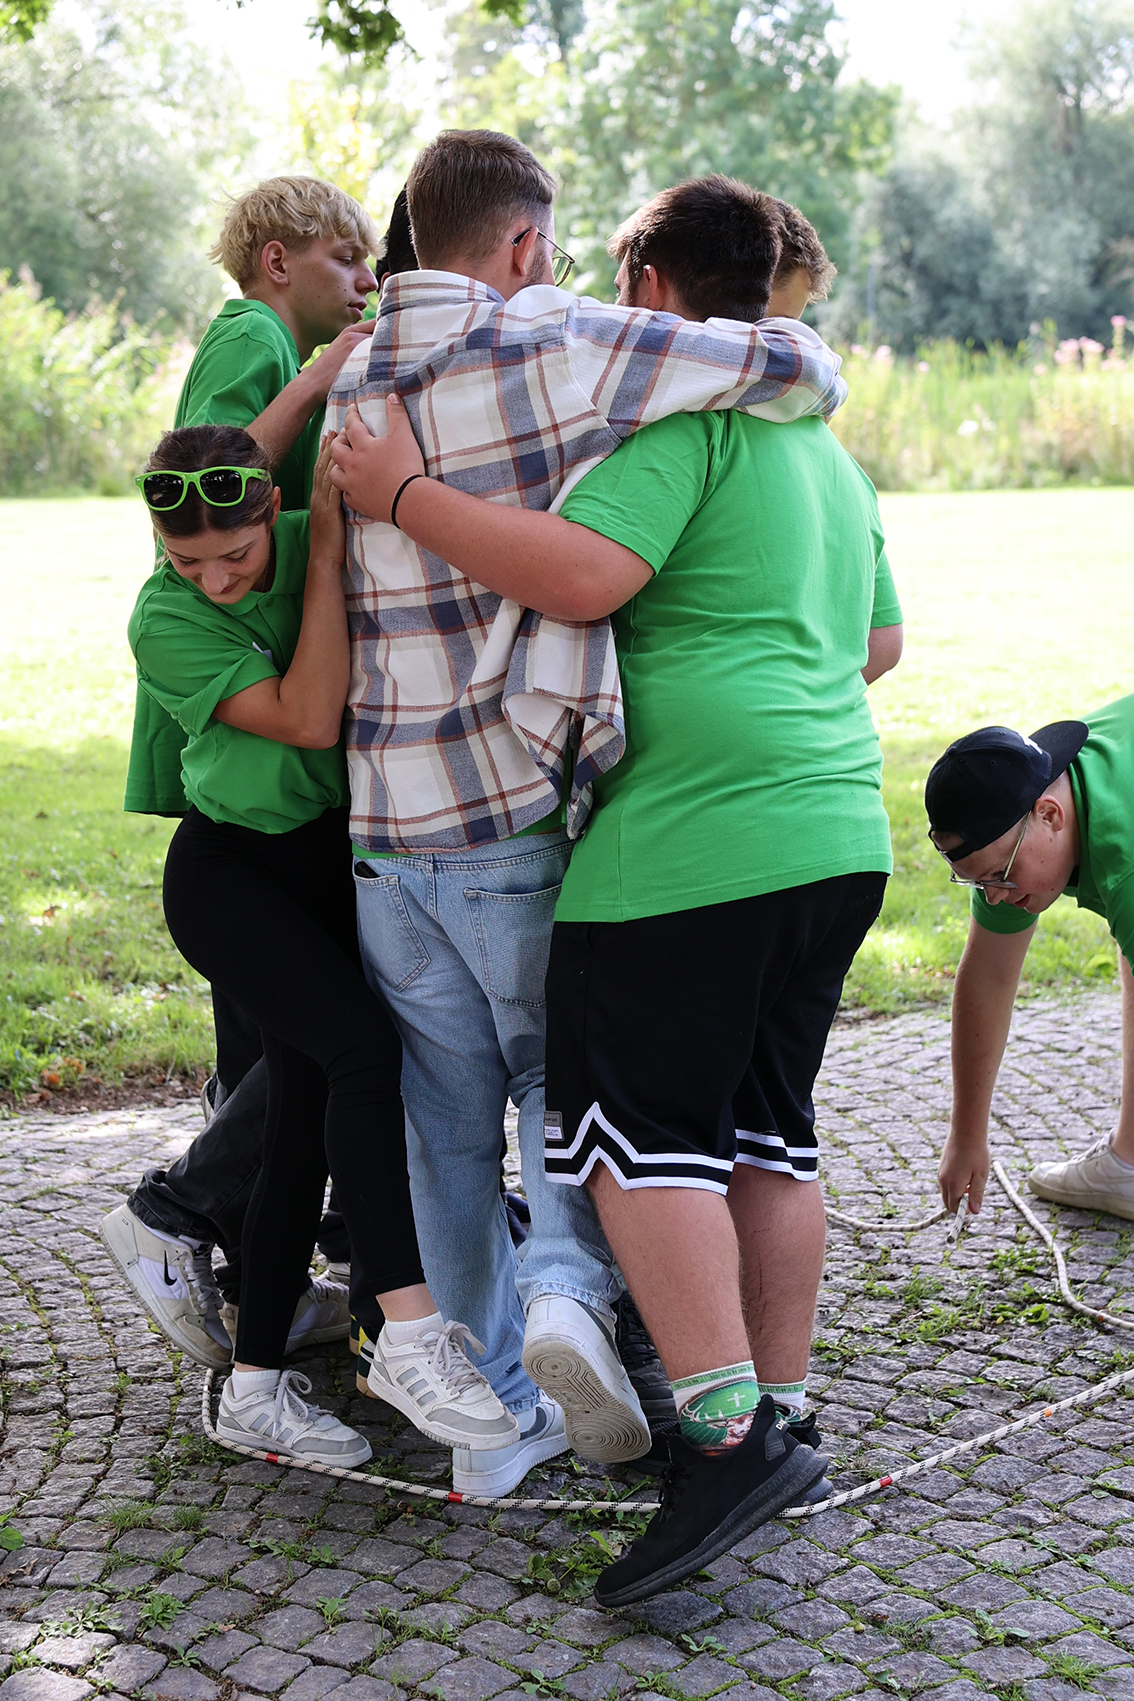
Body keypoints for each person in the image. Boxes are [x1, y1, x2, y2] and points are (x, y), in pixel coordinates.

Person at [330, 173, 901, 1597]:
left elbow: (582, 577)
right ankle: (780, 1411)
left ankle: (722, 1440)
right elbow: (877, 643)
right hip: (837, 828)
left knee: (636, 1144)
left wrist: (404, 495)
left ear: (646, 289)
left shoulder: (686, 427)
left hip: (688, 848)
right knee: (767, 1136)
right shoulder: (827, 456)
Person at [121, 421, 518, 1465]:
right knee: (361, 1051)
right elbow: (307, 717)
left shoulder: (308, 527)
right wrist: (329, 557)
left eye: (235, 554)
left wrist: (334, 389)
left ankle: (253, 1388)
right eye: (187, 562)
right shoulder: (164, 617)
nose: (215, 581)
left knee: (301, 1119)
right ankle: (410, 1329)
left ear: (269, 511)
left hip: (326, 868)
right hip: (230, 875)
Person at [103, 180, 390, 1370]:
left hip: (279, 779)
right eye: (346, 260)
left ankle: (287, 1252)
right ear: (278, 260)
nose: (364, 284)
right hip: (245, 757)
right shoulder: (255, 340)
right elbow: (215, 481)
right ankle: (191, 1212)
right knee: (306, 1041)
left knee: (285, 1037)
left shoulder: (277, 345)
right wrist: (318, 388)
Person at [927, 698, 1134, 1221]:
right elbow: (990, 976)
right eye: (977, 883)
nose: (994, 896)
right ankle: (1130, 1162)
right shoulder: (1017, 816)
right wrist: (966, 1135)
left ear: (1049, 815)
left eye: (999, 876)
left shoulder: (1126, 865)